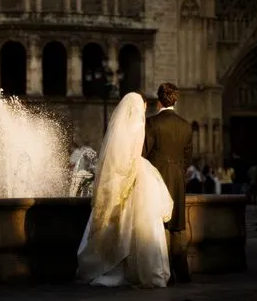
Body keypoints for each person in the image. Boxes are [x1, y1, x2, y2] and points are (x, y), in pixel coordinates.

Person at [77, 92, 173, 288]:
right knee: (142, 225)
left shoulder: (118, 129)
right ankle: (141, 270)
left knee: (117, 225)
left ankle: (112, 265)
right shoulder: (138, 124)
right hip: (135, 174)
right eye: (144, 105)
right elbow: (135, 153)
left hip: (116, 176)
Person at [142, 82, 192, 284]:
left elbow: (143, 153)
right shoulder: (185, 125)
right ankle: (183, 271)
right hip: (178, 179)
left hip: (157, 178)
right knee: (178, 225)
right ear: (175, 100)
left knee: (160, 224)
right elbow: (188, 156)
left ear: (158, 100)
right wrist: (178, 171)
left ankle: (166, 271)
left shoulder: (152, 123)